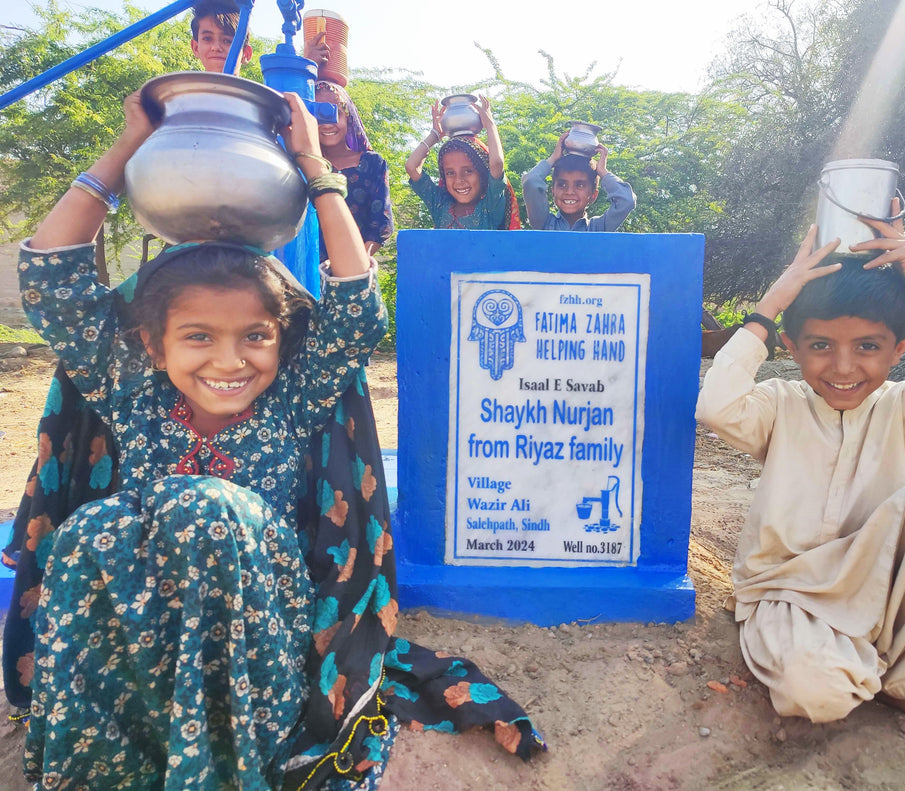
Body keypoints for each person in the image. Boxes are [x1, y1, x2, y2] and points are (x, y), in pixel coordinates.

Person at [13, 92, 543, 789]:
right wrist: (128, 146)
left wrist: (315, 170)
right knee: (96, 529)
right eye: (198, 337)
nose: (229, 362)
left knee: (203, 506)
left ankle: (230, 753)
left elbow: (356, 311)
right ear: (151, 342)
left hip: (257, 641)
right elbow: (51, 280)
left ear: (280, 338)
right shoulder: (131, 389)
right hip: (154, 642)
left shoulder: (290, 398)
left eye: (255, 337)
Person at [695, 214, 905, 755]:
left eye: (868, 347)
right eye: (820, 346)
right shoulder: (781, 403)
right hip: (788, 594)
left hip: (876, 585)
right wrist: (775, 299)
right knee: (815, 694)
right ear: (793, 349)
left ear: (901, 348)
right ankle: (870, 666)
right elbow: (716, 406)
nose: (843, 367)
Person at [404, 97, 521, 230]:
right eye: (450, 173)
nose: (459, 180)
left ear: (482, 174)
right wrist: (435, 134)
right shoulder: (440, 205)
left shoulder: (489, 208)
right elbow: (411, 167)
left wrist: (490, 125)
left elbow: (497, 164)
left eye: (468, 171)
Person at [311, 79, 394, 256]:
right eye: (319, 116)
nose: (327, 123)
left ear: (348, 117)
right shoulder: (307, 164)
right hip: (306, 270)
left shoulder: (373, 164)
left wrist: (355, 267)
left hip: (355, 273)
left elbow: (381, 224)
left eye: (335, 113)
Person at [522, 131, 636, 231]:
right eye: (562, 185)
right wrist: (553, 158)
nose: (570, 192)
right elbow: (531, 181)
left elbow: (627, 201)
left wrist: (603, 172)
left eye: (580, 185)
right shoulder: (544, 223)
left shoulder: (598, 228)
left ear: (593, 195)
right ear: (553, 191)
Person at [190, 0, 252, 74]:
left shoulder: (258, 86)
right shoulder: (178, 84)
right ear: (196, 48)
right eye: (207, 38)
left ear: (246, 53)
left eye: (227, 41)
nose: (216, 48)